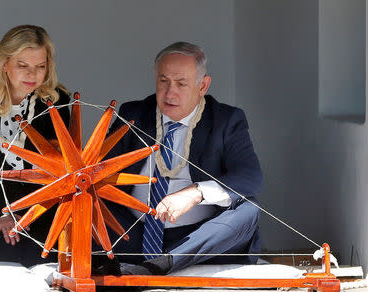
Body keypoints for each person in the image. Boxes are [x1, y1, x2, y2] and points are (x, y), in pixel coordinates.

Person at [104, 42, 263, 275]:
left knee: (249, 209)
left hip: (197, 237)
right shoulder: (133, 115)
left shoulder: (226, 120)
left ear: (203, 85)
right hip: (132, 233)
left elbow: (250, 177)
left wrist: (195, 192)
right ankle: (142, 262)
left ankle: (162, 265)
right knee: (85, 197)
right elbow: (100, 169)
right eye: (163, 81)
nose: (170, 93)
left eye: (181, 83)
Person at [0, 25, 70, 267]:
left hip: (45, 207)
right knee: (0, 264)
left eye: (40, 66)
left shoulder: (57, 100)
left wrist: (33, 213)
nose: (32, 74)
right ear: (4, 64)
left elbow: (61, 168)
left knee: (44, 266)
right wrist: (2, 213)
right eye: (23, 65)